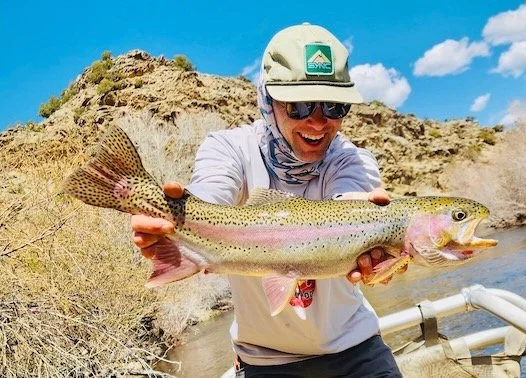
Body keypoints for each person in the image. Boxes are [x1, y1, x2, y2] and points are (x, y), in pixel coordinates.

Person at [131, 23, 403, 377]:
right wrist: (168, 226)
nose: (319, 122)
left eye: (334, 106)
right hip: (264, 363)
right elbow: (209, 196)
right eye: (301, 105)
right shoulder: (229, 149)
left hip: (356, 352)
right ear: (267, 99)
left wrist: (380, 247)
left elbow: (349, 199)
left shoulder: (352, 160)